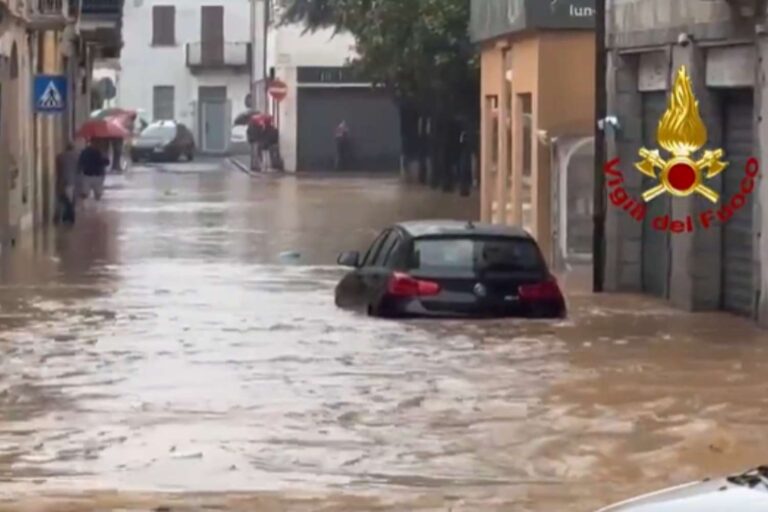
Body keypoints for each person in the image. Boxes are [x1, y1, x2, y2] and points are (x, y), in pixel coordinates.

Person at [55, 142, 79, 224]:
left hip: (62, 181)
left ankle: (62, 217)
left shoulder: (60, 156)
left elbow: (58, 170)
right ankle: (70, 218)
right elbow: (79, 170)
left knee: (63, 200)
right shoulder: (77, 156)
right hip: (73, 181)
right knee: (71, 201)